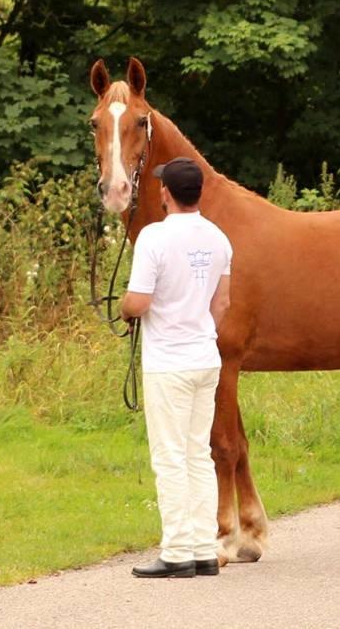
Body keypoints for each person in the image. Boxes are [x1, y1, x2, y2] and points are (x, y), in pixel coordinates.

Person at [120, 156, 233, 577]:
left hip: (169, 362)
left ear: (164, 192)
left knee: (169, 457)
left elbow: (139, 302)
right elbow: (222, 303)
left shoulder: (154, 237)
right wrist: (200, 328)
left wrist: (124, 309)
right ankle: (204, 548)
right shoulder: (219, 238)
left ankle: (176, 551)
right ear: (198, 192)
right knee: (198, 454)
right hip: (205, 356)